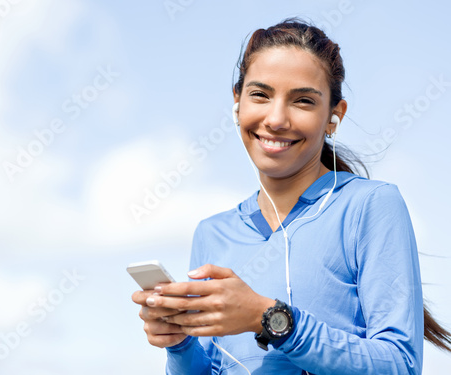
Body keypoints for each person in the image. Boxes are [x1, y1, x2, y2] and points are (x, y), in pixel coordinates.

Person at [132, 18, 451, 374]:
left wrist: (269, 319)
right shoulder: (212, 233)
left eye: (302, 101)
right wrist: (180, 344)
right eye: (260, 95)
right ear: (237, 103)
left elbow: (400, 365)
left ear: (333, 117)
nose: (276, 119)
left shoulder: (370, 206)